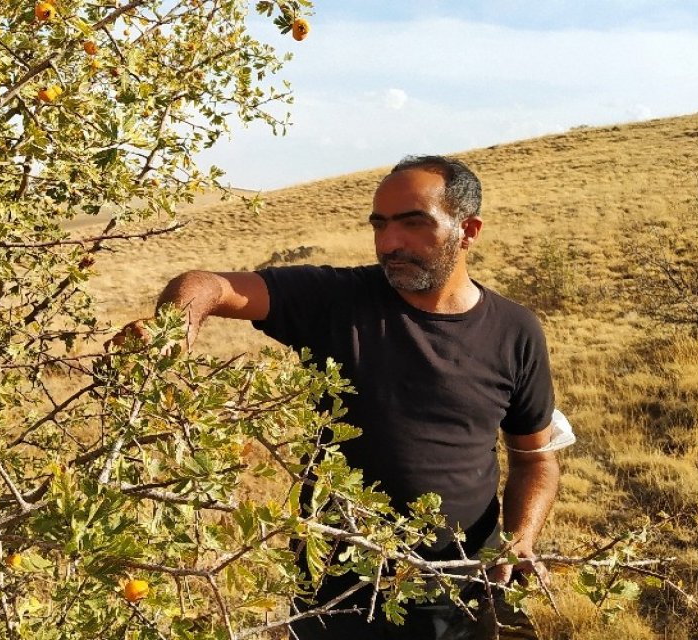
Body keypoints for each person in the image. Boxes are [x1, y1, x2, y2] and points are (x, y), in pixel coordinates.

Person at [145, 155, 568, 639]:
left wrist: (520, 541)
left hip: (457, 588)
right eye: (380, 225)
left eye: (413, 224)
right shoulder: (336, 300)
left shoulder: (515, 331)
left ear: (467, 230)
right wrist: (173, 328)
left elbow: (534, 458)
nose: (389, 243)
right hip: (336, 582)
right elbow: (206, 285)